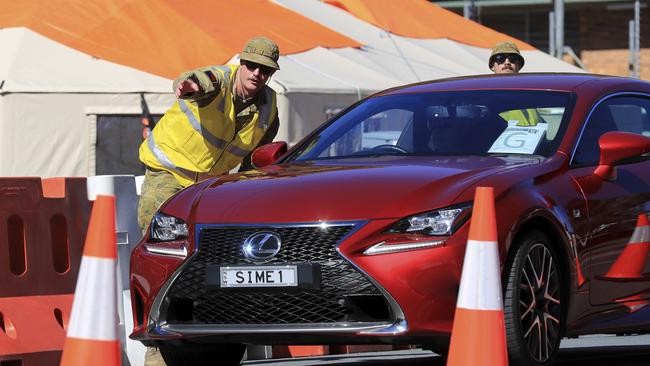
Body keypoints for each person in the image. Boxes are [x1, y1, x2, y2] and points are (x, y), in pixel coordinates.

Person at [137, 36, 281, 233]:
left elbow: (256, 159)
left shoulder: (269, 108)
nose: (256, 73)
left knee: (212, 241)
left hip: (211, 186)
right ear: (242, 63)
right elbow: (201, 78)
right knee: (161, 235)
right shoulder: (219, 80)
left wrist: (247, 191)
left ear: (271, 73)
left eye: (265, 70)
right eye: (252, 65)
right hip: (169, 173)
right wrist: (189, 85)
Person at [489, 41, 540, 126]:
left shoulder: (529, 96)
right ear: (492, 66)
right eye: (500, 58)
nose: (507, 62)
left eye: (512, 58)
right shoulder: (485, 96)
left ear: (519, 65)